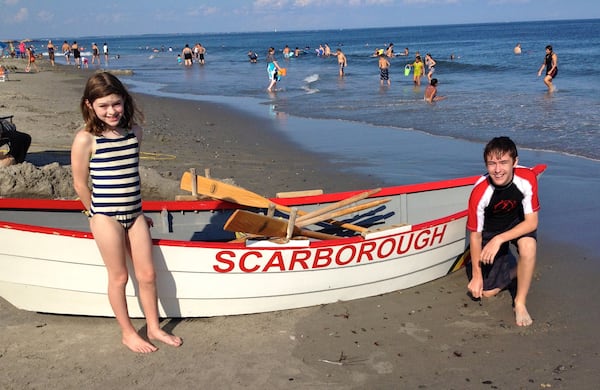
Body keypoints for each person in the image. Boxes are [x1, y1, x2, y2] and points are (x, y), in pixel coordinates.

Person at [70, 72, 183, 353]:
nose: (111, 111)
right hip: (105, 217)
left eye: (116, 104)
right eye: (104, 105)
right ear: (89, 106)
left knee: (147, 275)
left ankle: (154, 327)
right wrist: (94, 214)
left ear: (124, 101)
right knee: (119, 277)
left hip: (134, 215)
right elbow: (80, 183)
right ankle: (128, 332)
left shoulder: (134, 133)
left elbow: (130, 175)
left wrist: (137, 213)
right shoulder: (86, 139)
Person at [466, 136, 540, 327]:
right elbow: (475, 236)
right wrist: (476, 275)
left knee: (528, 247)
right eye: (492, 164)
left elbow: (531, 223)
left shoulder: (527, 178)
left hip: (516, 223)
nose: (497, 170)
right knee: (487, 293)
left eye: (503, 162)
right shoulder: (480, 191)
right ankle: (522, 269)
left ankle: (520, 302)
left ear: (515, 162)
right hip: (490, 229)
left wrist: (500, 239)